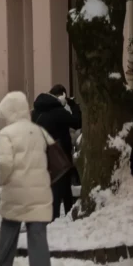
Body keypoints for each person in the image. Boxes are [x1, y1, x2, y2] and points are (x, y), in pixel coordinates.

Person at [0, 91, 54, 266]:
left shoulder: (6, 134)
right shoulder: (39, 131)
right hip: (40, 190)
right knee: (38, 235)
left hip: (16, 190)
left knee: (9, 230)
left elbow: (5, 163)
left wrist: (2, 181)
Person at [32, 85, 81, 219]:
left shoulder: (36, 111)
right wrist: (73, 106)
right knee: (63, 188)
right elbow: (77, 122)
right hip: (61, 155)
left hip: (43, 155)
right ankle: (62, 216)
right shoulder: (59, 112)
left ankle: (53, 216)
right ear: (62, 96)